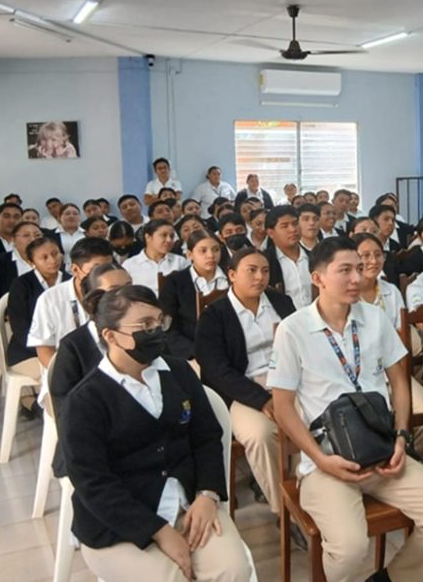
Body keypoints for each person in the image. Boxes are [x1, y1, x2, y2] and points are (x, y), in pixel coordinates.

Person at [268, 237, 423, 582]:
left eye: (359, 268)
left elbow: (400, 383)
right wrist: (320, 458)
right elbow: (283, 408)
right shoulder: (293, 330)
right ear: (318, 279)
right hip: (328, 461)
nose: (357, 278)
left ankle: (392, 578)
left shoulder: (375, 318)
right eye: (345, 270)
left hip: (383, 450)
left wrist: (402, 436)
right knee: (350, 548)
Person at [58, 285, 252, 582]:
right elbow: (93, 482)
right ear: (110, 336)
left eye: (159, 322)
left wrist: (207, 495)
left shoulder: (179, 372)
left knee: (233, 570)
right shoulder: (85, 400)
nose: (156, 331)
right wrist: (157, 531)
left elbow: (207, 438)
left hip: (190, 505)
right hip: (121, 525)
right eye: (144, 326)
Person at [196, 248, 296, 517]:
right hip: (243, 392)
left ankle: (310, 495)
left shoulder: (281, 303)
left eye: (264, 270)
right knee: (260, 435)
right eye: (251, 270)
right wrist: (262, 399)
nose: (259, 277)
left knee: (318, 420)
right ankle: (286, 512)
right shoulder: (214, 315)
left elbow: (302, 345)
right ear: (231, 275)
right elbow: (217, 371)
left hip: (288, 384)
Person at [49, 262, 132, 415]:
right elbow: (65, 406)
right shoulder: (73, 346)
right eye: (114, 290)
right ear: (94, 298)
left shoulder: (144, 333)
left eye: (129, 287)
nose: (127, 295)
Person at [29, 238, 116, 370]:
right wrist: (65, 375)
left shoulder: (118, 294)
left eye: (107, 268)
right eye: (95, 269)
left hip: (112, 371)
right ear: (75, 270)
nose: (103, 276)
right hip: (68, 372)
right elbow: (45, 349)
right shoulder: (50, 299)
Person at [7, 237, 68, 397]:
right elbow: (20, 328)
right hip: (28, 352)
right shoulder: (21, 285)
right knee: (61, 378)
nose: (52, 260)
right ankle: (42, 409)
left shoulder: (71, 281)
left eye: (55, 253)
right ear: (31, 261)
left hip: (67, 350)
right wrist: (46, 351)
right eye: (44, 257)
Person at [160, 230, 227, 360]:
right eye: (203, 251)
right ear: (190, 254)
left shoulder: (232, 278)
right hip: (192, 352)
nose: (211, 255)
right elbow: (168, 328)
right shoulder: (175, 282)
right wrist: (195, 352)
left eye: (216, 250)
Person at [0, 221, 42, 344]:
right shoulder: (0, 261)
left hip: (44, 318)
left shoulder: (52, 261)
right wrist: (9, 314)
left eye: (37, 235)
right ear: (13, 240)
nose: (33, 239)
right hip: (7, 319)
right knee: (5, 344)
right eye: (26, 236)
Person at [352, 233, 405, 330]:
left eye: (378, 255)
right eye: (366, 255)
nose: (374, 261)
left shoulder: (392, 291)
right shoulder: (346, 295)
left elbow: (402, 329)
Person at [122, 220, 190, 296]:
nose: (169, 240)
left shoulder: (180, 262)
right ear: (148, 237)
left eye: (172, 236)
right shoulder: (129, 265)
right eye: (163, 235)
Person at [264, 205, 312, 307]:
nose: (293, 229)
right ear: (270, 233)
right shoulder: (265, 262)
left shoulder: (314, 257)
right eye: (284, 226)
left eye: (295, 224)